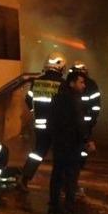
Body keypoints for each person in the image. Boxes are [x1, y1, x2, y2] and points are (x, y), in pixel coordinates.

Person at [47, 70, 92, 214]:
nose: (84, 85)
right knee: (71, 176)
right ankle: (69, 208)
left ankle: (54, 206)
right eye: (81, 82)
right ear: (72, 83)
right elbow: (79, 123)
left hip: (59, 142)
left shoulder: (57, 97)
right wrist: (86, 140)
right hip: (72, 143)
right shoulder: (75, 100)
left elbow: (51, 121)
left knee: (57, 174)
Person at [18, 52, 65, 191]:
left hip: (39, 124)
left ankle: (24, 178)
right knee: (60, 155)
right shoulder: (62, 84)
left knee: (38, 153)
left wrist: (35, 112)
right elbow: (64, 106)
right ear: (61, 67)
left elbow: (28, 99)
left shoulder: (37, 81)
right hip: (56, 125)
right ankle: (61, 186)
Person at [70, 61, 101, 166]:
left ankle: (77, 162)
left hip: (77, 122)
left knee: (77, 142)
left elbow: (96, 105)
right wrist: (93, 119)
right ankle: (80, 163)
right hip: (85, 122)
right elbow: (96, 105)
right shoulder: (92, 84)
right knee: (83, 142)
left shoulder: (70, 84)